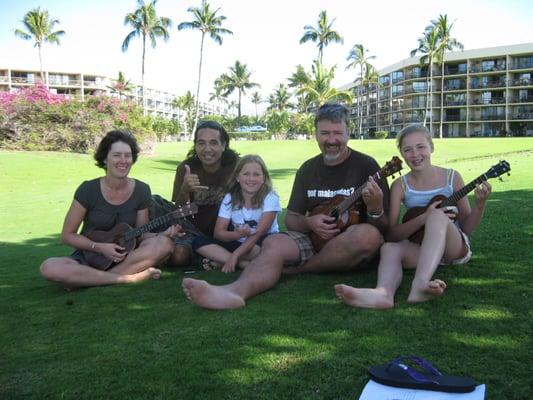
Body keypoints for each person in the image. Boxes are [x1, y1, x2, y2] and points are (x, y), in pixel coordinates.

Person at [182, 102, 390, 309]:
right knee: (274, 243)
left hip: (349, 243)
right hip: (313, 240)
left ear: (348, 133)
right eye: (325, 133)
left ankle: (301, 269)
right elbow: (291, 219)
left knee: (367, 236)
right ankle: (234, 292)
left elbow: (384, 229)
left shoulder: (367, 166)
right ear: (316, 134)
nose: (331, 140)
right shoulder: (308, 169)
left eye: (338, 133)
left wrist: (375, 209)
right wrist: (310, 222)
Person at [335, 124, 492, 308]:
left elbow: (466, 228)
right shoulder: (400, 186)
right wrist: (424, 217)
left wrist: (480, 206)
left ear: (431, 147)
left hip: (453, 250)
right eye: (407, 150)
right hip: (422, 249)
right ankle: (383, 294)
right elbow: (392, 235)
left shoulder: (452, 178)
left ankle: (420, 284)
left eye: (421, 147)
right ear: (401, 154)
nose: (415, 154)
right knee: (389, 248)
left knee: (438, 217)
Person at [40, 130, 183, 289]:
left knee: (165, 244)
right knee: (49, 267)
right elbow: (67, 236)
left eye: (127, 156)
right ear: (105, 159)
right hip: (90, 256)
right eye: (116, 155)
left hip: (127, 256)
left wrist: (161, 234)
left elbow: (140, 233)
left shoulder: (142, 190)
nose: (123, 161)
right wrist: (99, 247)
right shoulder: (88, 189)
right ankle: (127, 278)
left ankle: (86, 280)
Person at [192, 154, 281, 273]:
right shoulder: (230, 197)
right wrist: (238, 234)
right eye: (246, 174)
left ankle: (224, 259)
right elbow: (218, 233)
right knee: (198, 242)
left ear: (263, 178)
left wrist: (234, 255)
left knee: (263, 249)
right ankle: (243, 264)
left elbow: (259, 233)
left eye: (256, 174)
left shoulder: (270, 197)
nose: (251, 179)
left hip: (261, 241)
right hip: (239, 241)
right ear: (238, 177)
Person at [169, 120, 239, 267]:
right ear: (195, 145)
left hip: (227, 231)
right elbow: (177, 212)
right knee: (178, 257)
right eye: (201, 143)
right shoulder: (186, 168)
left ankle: (215, 257)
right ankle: (212, 258)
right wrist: (184, 190)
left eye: (214, 143)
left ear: (224, 145)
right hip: (194, 230)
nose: (207, 149)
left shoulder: (236, 167)